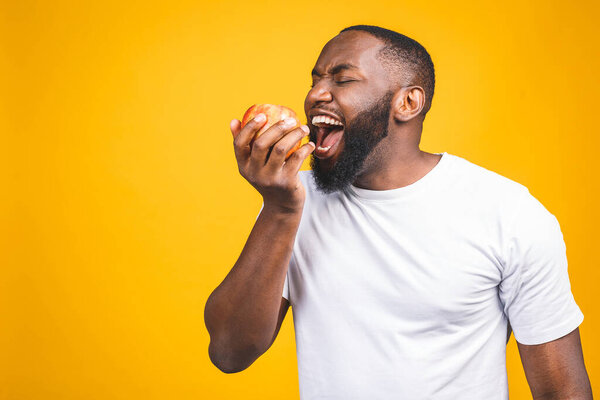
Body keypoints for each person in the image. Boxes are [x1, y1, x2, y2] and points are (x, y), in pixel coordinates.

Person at [204, 25, 593, 399]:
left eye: (341, 79)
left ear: (407, 103)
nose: (316, 95)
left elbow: (562, 391)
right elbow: (229, 353)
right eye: (315, 80)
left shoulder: (508, 213)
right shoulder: (290, 201)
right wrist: (279, 210)